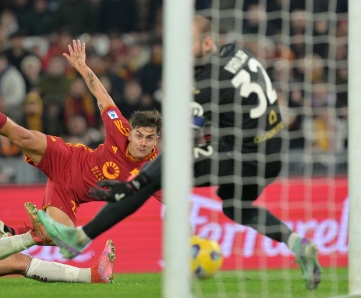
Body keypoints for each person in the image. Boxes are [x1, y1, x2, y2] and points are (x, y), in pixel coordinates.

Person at [36, 15, 323, 291]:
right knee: (234, 205)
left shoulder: (204, 85)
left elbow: (181, 146)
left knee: (156, 176)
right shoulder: (237, 53)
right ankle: (298, 244)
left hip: (243, 155)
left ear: (207, 44)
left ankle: (79, 238)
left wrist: (136, 183)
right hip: (273, 149)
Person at [0, 40, 162, 240]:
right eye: (139, 136)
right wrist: (81, 66)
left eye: (149, 138)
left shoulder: (152, 170)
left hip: (69, 194)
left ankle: (14, 233)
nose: (143, 142)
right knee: (23, 136)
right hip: (66, 158)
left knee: (62, 237)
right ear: (131, 133)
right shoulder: (119, 128)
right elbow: (102, 94)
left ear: (156, 140)